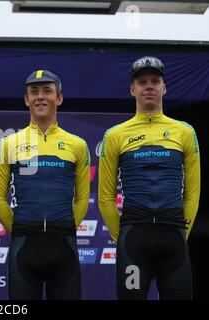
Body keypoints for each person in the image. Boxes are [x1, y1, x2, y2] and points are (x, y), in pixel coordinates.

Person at [98, 56, 200, 300]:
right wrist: (120, 235)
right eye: (142, 82)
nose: (149, 86)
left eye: (155, 80)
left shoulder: (185, 131)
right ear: (133, 90)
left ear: (164, 87)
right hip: (134, 238)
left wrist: (181, 230)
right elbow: (104, 197)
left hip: (173, 234)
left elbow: (193, 192)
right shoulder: (115, 135)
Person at [0, 69, 90, 300]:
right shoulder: (8, 144)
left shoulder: (77, 145)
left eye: (47, 91)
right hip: (24, 245)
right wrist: (19, 228)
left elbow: (83, 199)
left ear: (59, 98)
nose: (40, 96)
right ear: (26, 100)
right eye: (34, 92)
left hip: (63, 244)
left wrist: (65, 226)